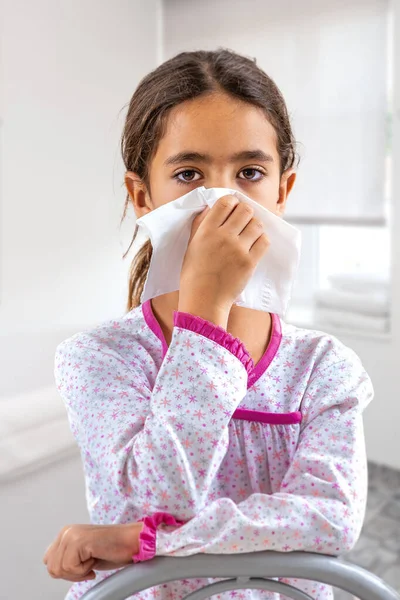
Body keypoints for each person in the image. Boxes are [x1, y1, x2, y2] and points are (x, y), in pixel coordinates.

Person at [43, 48, 373, 600]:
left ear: (282, 192)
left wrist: (147, 543)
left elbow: (329, 522)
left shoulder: (324, 368)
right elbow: (155, 501)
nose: (222, 201)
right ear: (142, 195)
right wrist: (203, 317)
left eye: (249, 173)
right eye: (189, 174)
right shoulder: (98, 359)